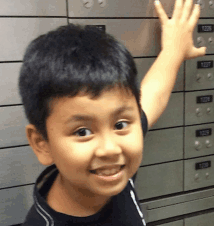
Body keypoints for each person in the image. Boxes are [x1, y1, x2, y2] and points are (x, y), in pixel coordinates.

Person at [19, 0, 206, 225]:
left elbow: (153, 96)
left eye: (119, 125)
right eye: (83, 132)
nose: (110, 149)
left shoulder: (111, 169)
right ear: (42, 143)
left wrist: (174, 51)